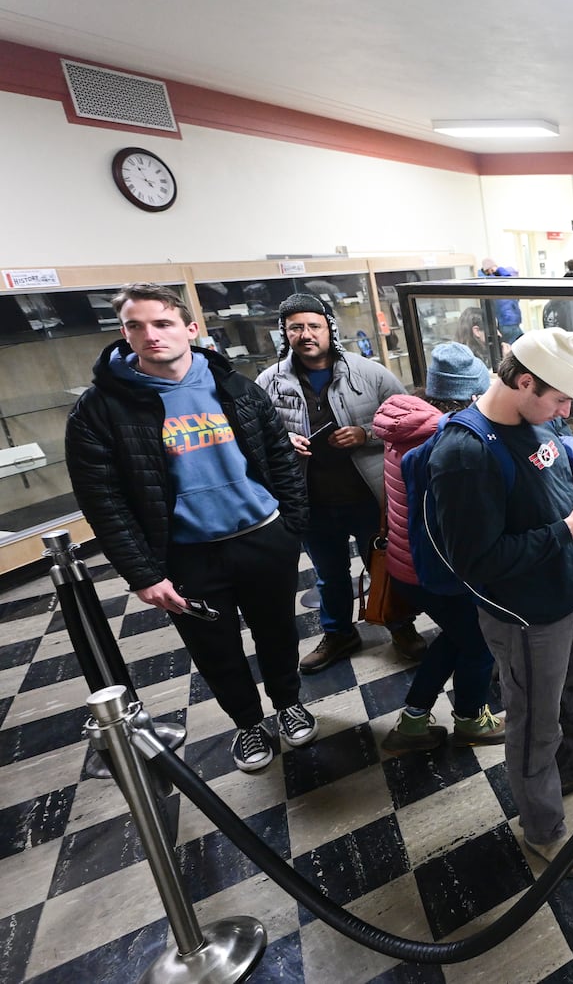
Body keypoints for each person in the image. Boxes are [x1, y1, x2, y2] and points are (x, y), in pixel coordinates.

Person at [65, 283, 317, 773]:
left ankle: (288, 704)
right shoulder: (100, 409)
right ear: (123, 333)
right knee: (215, 649)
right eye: (135, 326)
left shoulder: (234, 385)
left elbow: (280, 460)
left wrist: (291, 525)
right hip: (186, 554)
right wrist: (143, 574)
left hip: (263, 537)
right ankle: (247, 724)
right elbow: (104, 501)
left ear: (190, 328)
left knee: (277, 633)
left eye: (161, 323)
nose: (149, 335)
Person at [428, 327, 573, 875]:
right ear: (522, 382)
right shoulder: (465, 453)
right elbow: (478, 561)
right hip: (525, 614)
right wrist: (569, 529)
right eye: (560, 399)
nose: (565, 411)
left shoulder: (537, 417)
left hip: (569, 588)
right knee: (533, 720)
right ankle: (542, 827)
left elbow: (562, 453)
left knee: (572, 687)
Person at [256, 294, 423, 672]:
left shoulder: (372, 373)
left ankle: (400, 625)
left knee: (384, 564)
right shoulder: (269, 381)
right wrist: (282, 444)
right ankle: (339, 633)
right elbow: (254, 437)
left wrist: (366, 434)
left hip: (368, 496)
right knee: (329, 576)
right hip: (310, 499)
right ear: (284, 333)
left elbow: (411, 422)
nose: (305, 334)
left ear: (329, 328)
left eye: (314, 326)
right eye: (296, 327)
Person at [373, 343, 506, 754]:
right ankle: (470, 718)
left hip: (406, 562)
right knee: (479, 641)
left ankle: (413, 721)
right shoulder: (445, 440)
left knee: (455, 637)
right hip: (438, 567)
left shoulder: (404, 423)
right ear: (470, 396)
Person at [478, 257, 525, 344]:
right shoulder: (490, 282)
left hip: (510, 322)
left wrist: (497, 270)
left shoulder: (502, 280)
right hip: (506, 323)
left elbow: (509, 279)